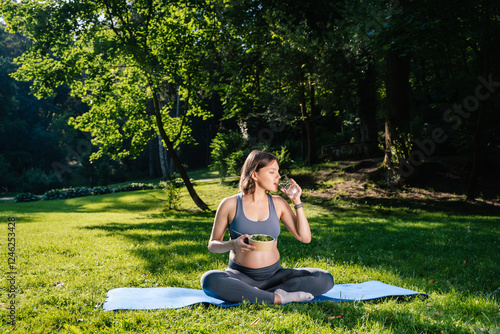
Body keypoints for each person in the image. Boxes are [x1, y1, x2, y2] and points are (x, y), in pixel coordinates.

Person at [200, 150, 334, 304]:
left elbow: (305, 238)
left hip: (275, 276)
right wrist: (233, 244)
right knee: (209, 280)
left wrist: (297, 201)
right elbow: (213, 245)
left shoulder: (278, 203)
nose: (278, 177)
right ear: (254, 174)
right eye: (272, 172)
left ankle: (254, 295)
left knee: (324, 279)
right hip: (241, 276)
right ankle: (277, 297)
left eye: (278, 172)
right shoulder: (229, 204)